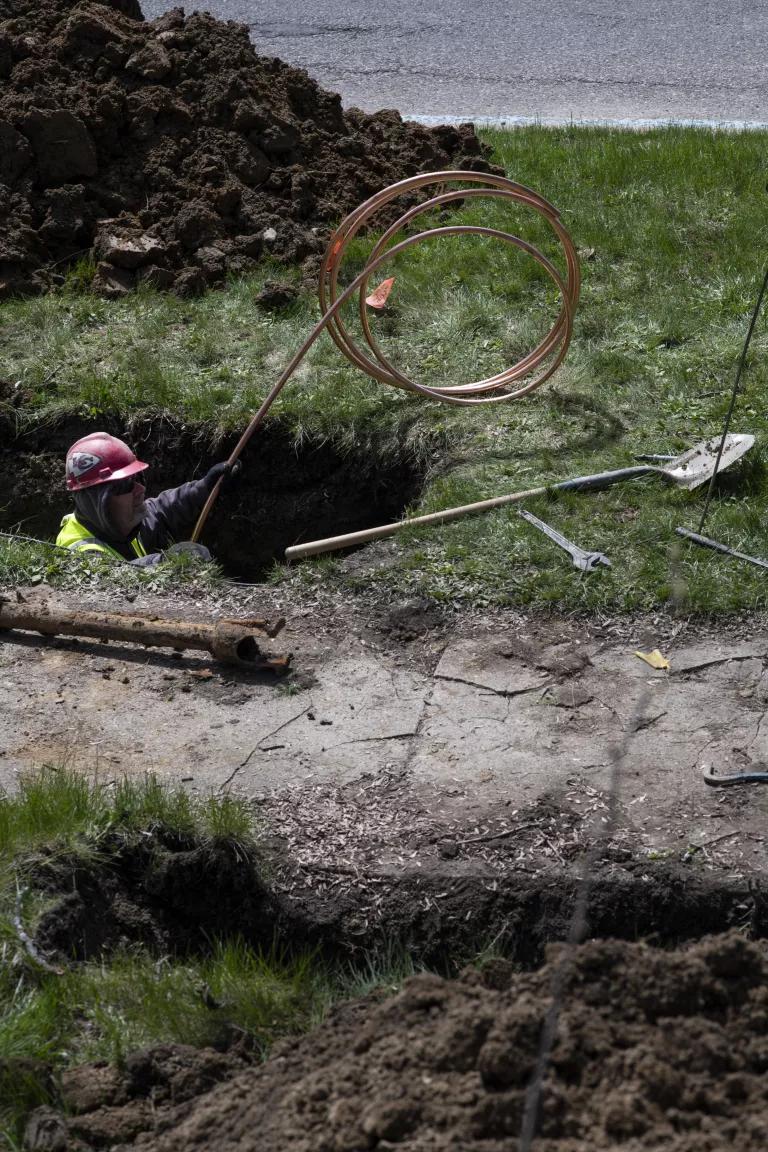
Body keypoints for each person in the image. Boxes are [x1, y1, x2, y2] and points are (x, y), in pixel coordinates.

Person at [56, 432, 237, 567]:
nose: (140, 489)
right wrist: (164, 562)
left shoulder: (117, 523)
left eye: (137, 479)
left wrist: (204, 487)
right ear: (97, 501)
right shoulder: (78, 554)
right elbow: (115, 577)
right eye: (126, 485)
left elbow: (162, 509)